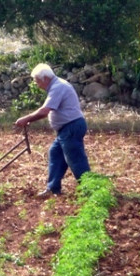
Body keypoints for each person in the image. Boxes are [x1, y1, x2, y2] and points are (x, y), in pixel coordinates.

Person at [15, 63, 90, 197]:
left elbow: (45, 111)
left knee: (75, 160)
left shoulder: (58, 87)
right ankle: (53, 188)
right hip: (66, 128)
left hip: (71, 127)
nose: (37, 85)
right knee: (55, 153)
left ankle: (91, 190)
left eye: (37, 81)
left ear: (45, 78)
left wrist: (27, 119)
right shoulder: (57, 86)